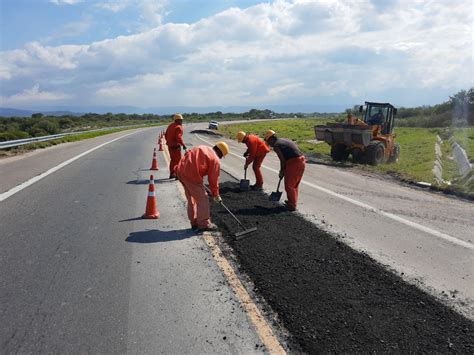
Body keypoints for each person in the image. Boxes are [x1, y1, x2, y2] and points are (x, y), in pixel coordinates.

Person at [175, 142, 229, 232]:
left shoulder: (203, 147)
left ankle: (194, 223)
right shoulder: (215, 159)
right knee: (203, 199)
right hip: (192, 175)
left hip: (181, 171)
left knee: (191, 199)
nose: (220, 158)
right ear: (220, 153)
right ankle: (203, 224)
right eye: (221, 156)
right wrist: (216, 194)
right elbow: (213, 179)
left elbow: (188, 154)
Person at [264, 130, 305, 212]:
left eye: (268, 142)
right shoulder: (283, 140)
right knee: (294, 185)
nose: (269, 144)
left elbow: (282, 160)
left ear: (271, 139)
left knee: (289, 185)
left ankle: (292, 205)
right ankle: (292, 202)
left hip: (294, 163)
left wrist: (282, 171)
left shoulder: (276, 145)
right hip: (302, 161)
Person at [165, 113, 187, 179]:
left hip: (170, 146)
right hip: (175, 147)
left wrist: (168, 141)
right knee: (178, 161)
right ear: (177, 120)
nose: (181, 121)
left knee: (172, 160)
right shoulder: (178, 127)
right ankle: (177, 175)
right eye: (180, 120)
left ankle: (172, 174)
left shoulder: (170, 126)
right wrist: (183, 144)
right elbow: (178, 137)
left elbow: (166, 135)